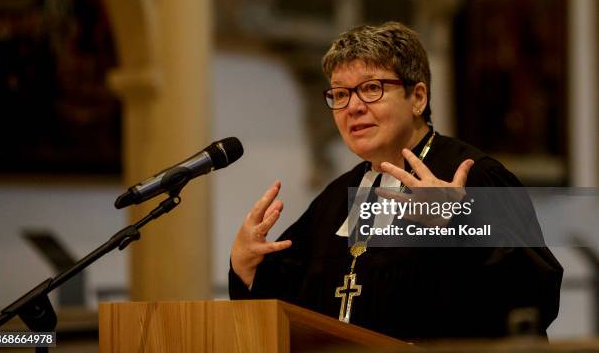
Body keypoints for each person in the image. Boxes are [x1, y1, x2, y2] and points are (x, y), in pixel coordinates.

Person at [229, 22, 562, 341]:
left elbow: (536, 293)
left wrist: (457, 221)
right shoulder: (335, 199)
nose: (353, 107)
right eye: (340, 94)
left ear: (417, 98)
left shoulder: (475, 175)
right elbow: (294, 306)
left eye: (372, 88)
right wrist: (247, 267)